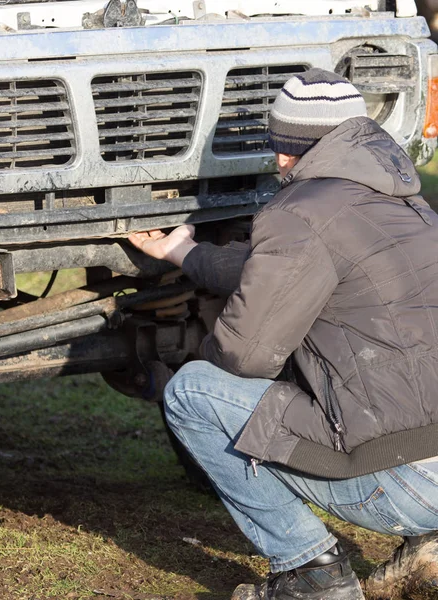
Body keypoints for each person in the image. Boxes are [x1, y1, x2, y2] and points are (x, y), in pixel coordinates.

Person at [129, 69, 438, 600]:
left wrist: (217, 349)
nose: (278, 159)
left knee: (192, 393)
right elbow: (275, 266)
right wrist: (182, 252)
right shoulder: (408, 204)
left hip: (409, 482)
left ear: (290, 149)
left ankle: (309, 575)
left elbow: (245, 355)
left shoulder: (298, 214)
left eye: (282, 146)